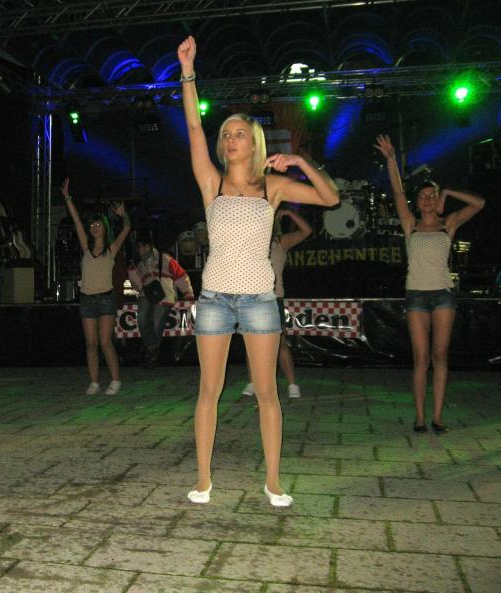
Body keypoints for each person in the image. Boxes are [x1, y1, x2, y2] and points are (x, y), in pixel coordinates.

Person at [178, 36, 339, 507]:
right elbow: (193, 125)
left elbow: (330, 198)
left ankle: (273, 481)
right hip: (214, 300)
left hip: (259, 301)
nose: (230, 139)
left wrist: (301, 161)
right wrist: (187, 71)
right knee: (208, 392)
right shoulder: (211, 182)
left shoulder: (273, 186)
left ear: (254, 143)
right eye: (226, 134)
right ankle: (203, 480)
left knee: (267, 393)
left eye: (239, 134)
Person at [375, 134, 485, 433]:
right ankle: (420, 417)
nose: (427, 199)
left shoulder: (448, 224)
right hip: (416, 296)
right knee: (421, 358)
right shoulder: (410, 224)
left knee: (440, 356)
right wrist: (391, 159)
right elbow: (398, 192)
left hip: (443, 296)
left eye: (432, 195)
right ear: (418, 202)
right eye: (423, 196)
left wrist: (448, 191)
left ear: (438, 201)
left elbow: (479, 203)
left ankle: (437, 416)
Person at [61, 178, 131, 395]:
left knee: (105, 342)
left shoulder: (111, 249)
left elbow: (127, 228)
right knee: (91, 344)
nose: (94, 227)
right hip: (87, 300)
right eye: (92, 225)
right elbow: (76, 221)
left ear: (104, 228)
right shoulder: (85, 248)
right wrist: (67, 198)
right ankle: (94, 382)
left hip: (106, 299)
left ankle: (116, 380)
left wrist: (124, 214)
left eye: (98, 225)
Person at [242, 208, 312, 399]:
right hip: (251, 297)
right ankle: (253, 382)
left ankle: (292, 384)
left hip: (274, 298)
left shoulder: (281, 242)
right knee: (251, 343)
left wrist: (289, 213)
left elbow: (307, 231)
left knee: (280, 344)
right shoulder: (250, 242)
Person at [127, 236, 194, 367]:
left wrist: (188, 294)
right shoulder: (139, 264)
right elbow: (137, 287)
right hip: (147, 295)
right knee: (141, 318)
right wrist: (132, 274)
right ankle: (153, 349)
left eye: (139, 247)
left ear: (147, 246)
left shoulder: (165, 258)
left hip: (165, 295)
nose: (137, 250)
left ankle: (151, 353)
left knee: (157, 322)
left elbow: (181, 276)